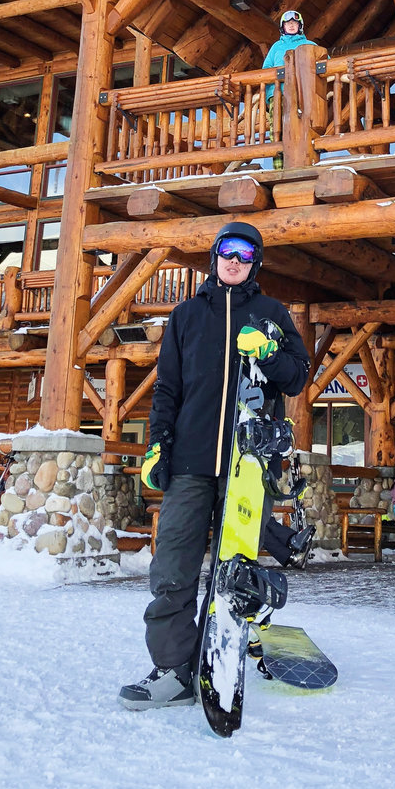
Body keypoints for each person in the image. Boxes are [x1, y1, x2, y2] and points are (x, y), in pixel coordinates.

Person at [119, 220, 310, 711]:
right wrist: (158, 444)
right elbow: (168, 390)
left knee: (234, 567)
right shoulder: (185, 317)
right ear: (214, 256)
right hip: (190, 463)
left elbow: (297, 378)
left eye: (245, 255)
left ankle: (228, 652)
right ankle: (173, 670)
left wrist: (268, 353)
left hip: (249, 466)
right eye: (227, 251)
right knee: (174, 565)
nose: (234, 261)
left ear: (255, 263)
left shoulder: (272, 314)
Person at [263, 11, 315, 169]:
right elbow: (265, 71)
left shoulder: (310, 45)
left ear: (300, 26)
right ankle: (279, 167)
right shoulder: (276, 47)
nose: (291, 25)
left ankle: (304, 163)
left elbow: (325, 63)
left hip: (302, 95)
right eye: (288, 23)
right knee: (277, 131)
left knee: (301, 128)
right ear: (283, 27)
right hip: (278, 95)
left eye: (295, 23)